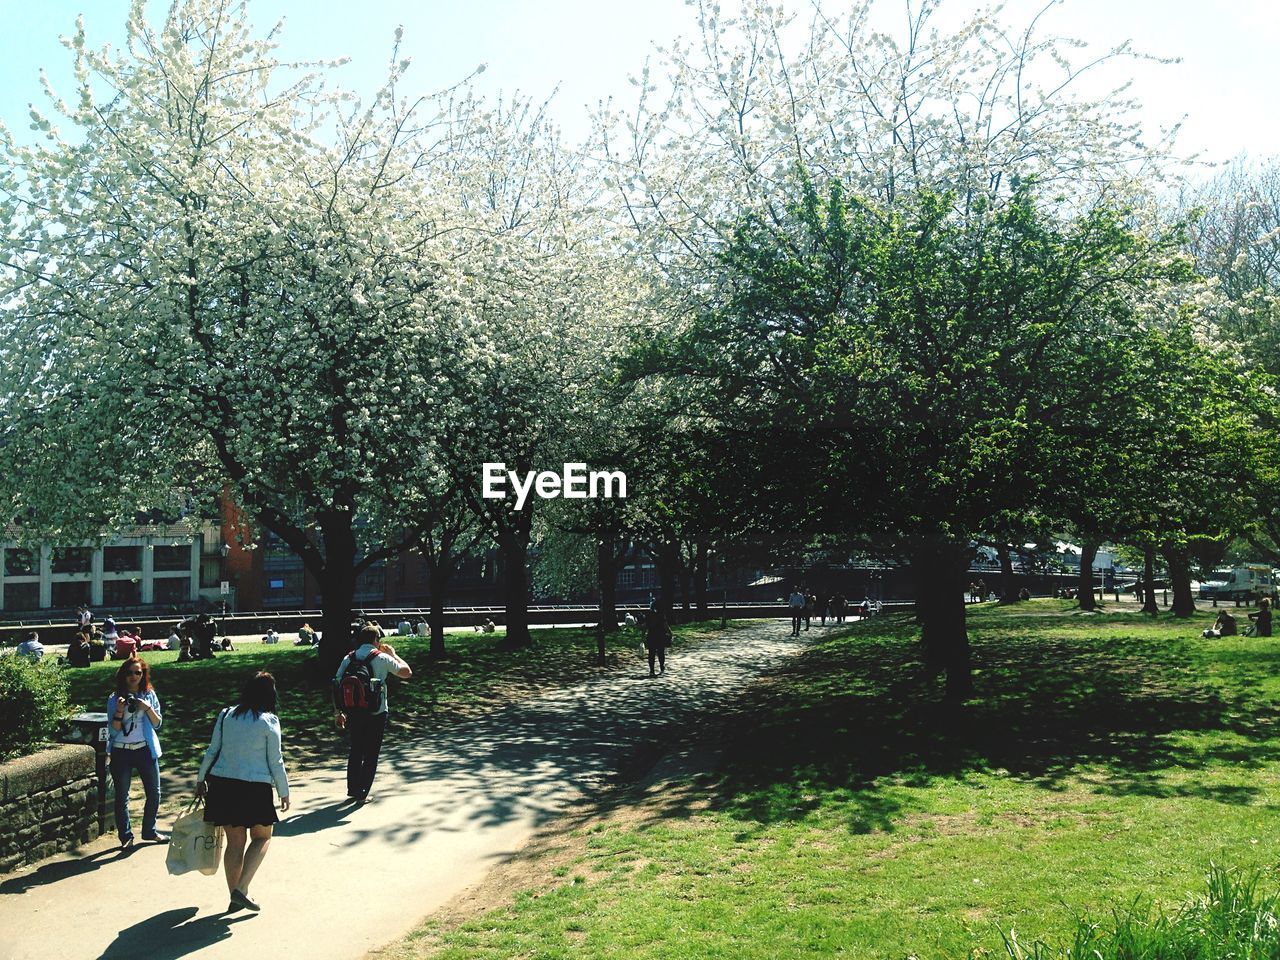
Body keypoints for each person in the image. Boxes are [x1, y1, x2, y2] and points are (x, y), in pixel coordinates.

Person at [196, 672, 291, 913]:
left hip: (224, 783)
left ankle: (234, 896)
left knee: (235, 844)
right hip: (255, 786)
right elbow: (275, 760)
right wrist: (284, 790)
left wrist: (200, 778)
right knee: (263, 837)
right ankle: (242, 889)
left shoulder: (227, 714)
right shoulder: (269, 721)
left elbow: (212, 749)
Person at [332, 625, 412, 803]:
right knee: (371, 752)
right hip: (376, 711)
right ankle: (362, 792)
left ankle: (352, 789)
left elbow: (337, 683)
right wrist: (393, 654)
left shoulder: (349, 657)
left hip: (353, 710)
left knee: (356, 749)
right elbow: (407, 673)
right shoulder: (382, 657)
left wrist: (338, 711)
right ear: (376, 640)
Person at [106, 657, 167, 849]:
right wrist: (119, 711)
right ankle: (126, 836)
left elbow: (158, 724)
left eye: (138, 673)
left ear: (143, 675)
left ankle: (149, 830)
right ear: (123, 675)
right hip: (121, 751)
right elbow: (113, 731)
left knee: (154, 793)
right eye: (130, 672)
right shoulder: (115, 698)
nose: (134, 676)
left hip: (145, 749)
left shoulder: (149, 695)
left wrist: (146, 707)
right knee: (122, 795)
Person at [644, 606, 672, 677]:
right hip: (660, 636)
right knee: (661, 653)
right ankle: (662, 667)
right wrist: (670, 633)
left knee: (651, 654)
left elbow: (645, 626)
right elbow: (665, 625)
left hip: (651, 636)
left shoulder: (649, 615)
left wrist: (643, 636)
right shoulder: (661, 615)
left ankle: (652, 670)